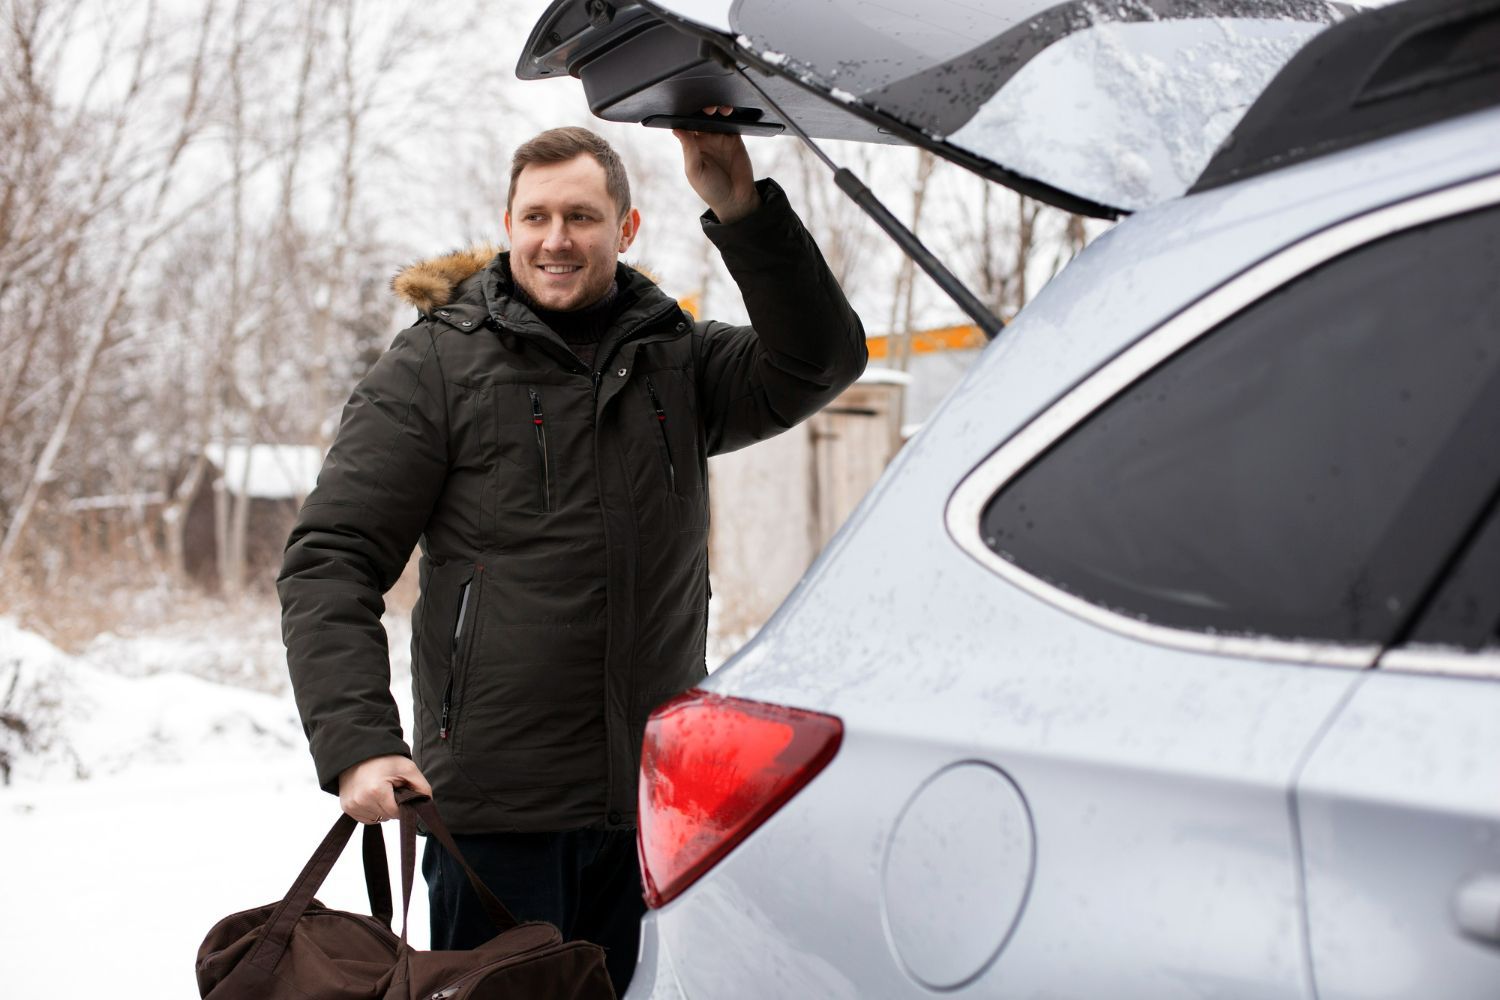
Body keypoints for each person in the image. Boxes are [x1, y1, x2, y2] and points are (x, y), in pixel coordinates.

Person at [278, 116, 866, 994]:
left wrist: (742, 209)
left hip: (651, 805)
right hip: (493, 818)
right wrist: (358, 742)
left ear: (626, 230)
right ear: (509, 225)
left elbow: (820, 360)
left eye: (583, 217)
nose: (557, 239)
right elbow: (332, 556)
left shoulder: (678, 360)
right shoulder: (438, 366)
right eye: (537, 217)